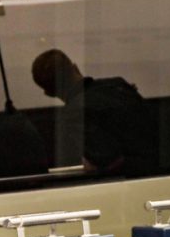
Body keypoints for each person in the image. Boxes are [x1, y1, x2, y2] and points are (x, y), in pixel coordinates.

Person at [31, 49, 161, 178]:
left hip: (130, 181)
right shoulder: (118, 84)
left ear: (49, 93)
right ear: (75, 68)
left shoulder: (73, 115)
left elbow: (109, 161)